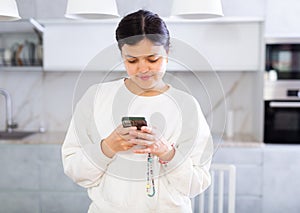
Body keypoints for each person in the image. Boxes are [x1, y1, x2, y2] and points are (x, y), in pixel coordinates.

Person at [62, 9, 213, 213]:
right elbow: (74, 170)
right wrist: (107, 147)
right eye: (132, 61)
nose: (143, 69)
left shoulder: (187, 106)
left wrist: (167, 153)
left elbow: (196, 184)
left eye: (152, 59)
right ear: (122, 55)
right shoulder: (96, 98)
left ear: (167, 53)